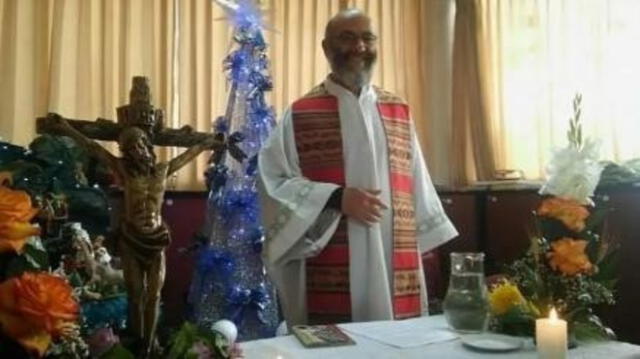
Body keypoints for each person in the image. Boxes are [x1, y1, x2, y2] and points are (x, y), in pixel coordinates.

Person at [258, 8, 459, 326]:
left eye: (367, 38)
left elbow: (416, 180)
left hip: (392, 249)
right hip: (326, 253)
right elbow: (273, 181)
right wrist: (337, 198)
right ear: (326, 48)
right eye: (347, 38)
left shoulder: (398, 110)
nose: (359, 47)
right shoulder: (300, 113)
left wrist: (421, 236)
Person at [47, 113, 221, 358]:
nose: (138, 150)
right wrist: (66, 128)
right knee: (136, 294)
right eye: (131, 147)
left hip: (157, 238)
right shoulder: (124, 171)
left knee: (154, 295)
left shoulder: (163, 170)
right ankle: (138, 343)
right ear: (126, 152)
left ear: (148, 147)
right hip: (131, 239)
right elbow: (92, 147)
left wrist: (207, 142)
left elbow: (188, 155)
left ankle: (148, 347)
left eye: (140, 144)